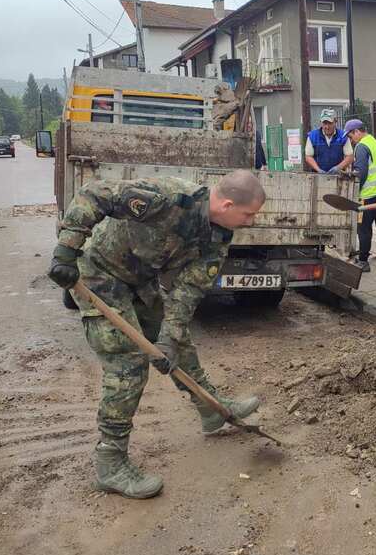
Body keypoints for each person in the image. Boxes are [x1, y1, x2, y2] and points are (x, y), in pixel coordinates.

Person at [46, 171, 266, 499]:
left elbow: (189, 290)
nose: (250, 222)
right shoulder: (167, 198)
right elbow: (95, 194)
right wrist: (67, 248)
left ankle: (209, 407)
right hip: (98, 274)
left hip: (138, 280)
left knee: (178, 343)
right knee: (128, 363)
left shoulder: (218, 235)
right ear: (228, 204)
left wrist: (168, 337)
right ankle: (111, 462)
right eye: (248, 215)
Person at [343, 118, 376, 272]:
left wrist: (355, 190)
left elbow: (361, 172)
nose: (350, 139)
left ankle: (363, 261)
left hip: (368, 195)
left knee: (363, 228)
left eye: (350, 136)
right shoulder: (374, 142)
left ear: (357, 132)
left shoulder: (361, 147)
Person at [305, 108, 354, 174]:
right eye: (324, 123)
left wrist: (338, 168)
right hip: (318, 176)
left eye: (330, 123)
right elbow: (308, 156)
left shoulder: (343, 136)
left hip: (338, 176)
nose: (327, 127)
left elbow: (350, 156)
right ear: (321, 122)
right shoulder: (312, 136)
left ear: (335, 122)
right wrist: (318, 169)